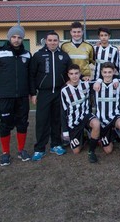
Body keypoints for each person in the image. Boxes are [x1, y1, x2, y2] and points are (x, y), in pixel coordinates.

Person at [30, 31, 72, 161]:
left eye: (55, 40)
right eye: (50, 40)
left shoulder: (64, 56)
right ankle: (39, 148)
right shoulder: (38, 55)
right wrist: (33, 93)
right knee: (42, 121)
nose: (53, 42)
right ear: (46, 41)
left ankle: (56, 144)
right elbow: (31, 75)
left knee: (57, 120)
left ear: (58, 42)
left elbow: (69, 73)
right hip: (44, 93)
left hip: (59, 92)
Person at [0, 25, 31, 166]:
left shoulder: (27, 54)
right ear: (9, 37)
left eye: (19, 37)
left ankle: (21, 150)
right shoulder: (0, 52)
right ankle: (5, 153)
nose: (16, 40)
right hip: (5, 95)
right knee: (5, 124)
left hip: (22, 96)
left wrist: (32, 92)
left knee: (22, 123)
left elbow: (31, 76)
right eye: (14, 37)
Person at [61, 64, 100, 163]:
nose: (74, 76)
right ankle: (84, 136)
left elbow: (102, 80)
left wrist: (98, 81)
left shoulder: (86, 84)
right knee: (76, 151)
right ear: (68, 75)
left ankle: (91, 151)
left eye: (76, 73)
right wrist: (65, 131)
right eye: (71, 74)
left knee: (96, 123)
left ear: (80, 74)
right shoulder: (64, 90)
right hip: (73, 122)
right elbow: (63, 111)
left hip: (85, 116)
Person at [94, 62, 120, 161]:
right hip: (102, 120)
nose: (107, 74)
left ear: (114, 72)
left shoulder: (118, 84)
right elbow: (79, 82)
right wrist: (98, 80)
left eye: (110, 72)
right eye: (105, 72)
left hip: (115, 116)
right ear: (101, 72)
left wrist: (116, 79)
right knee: (108, 150)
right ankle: (112, 133)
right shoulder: (95, 85)